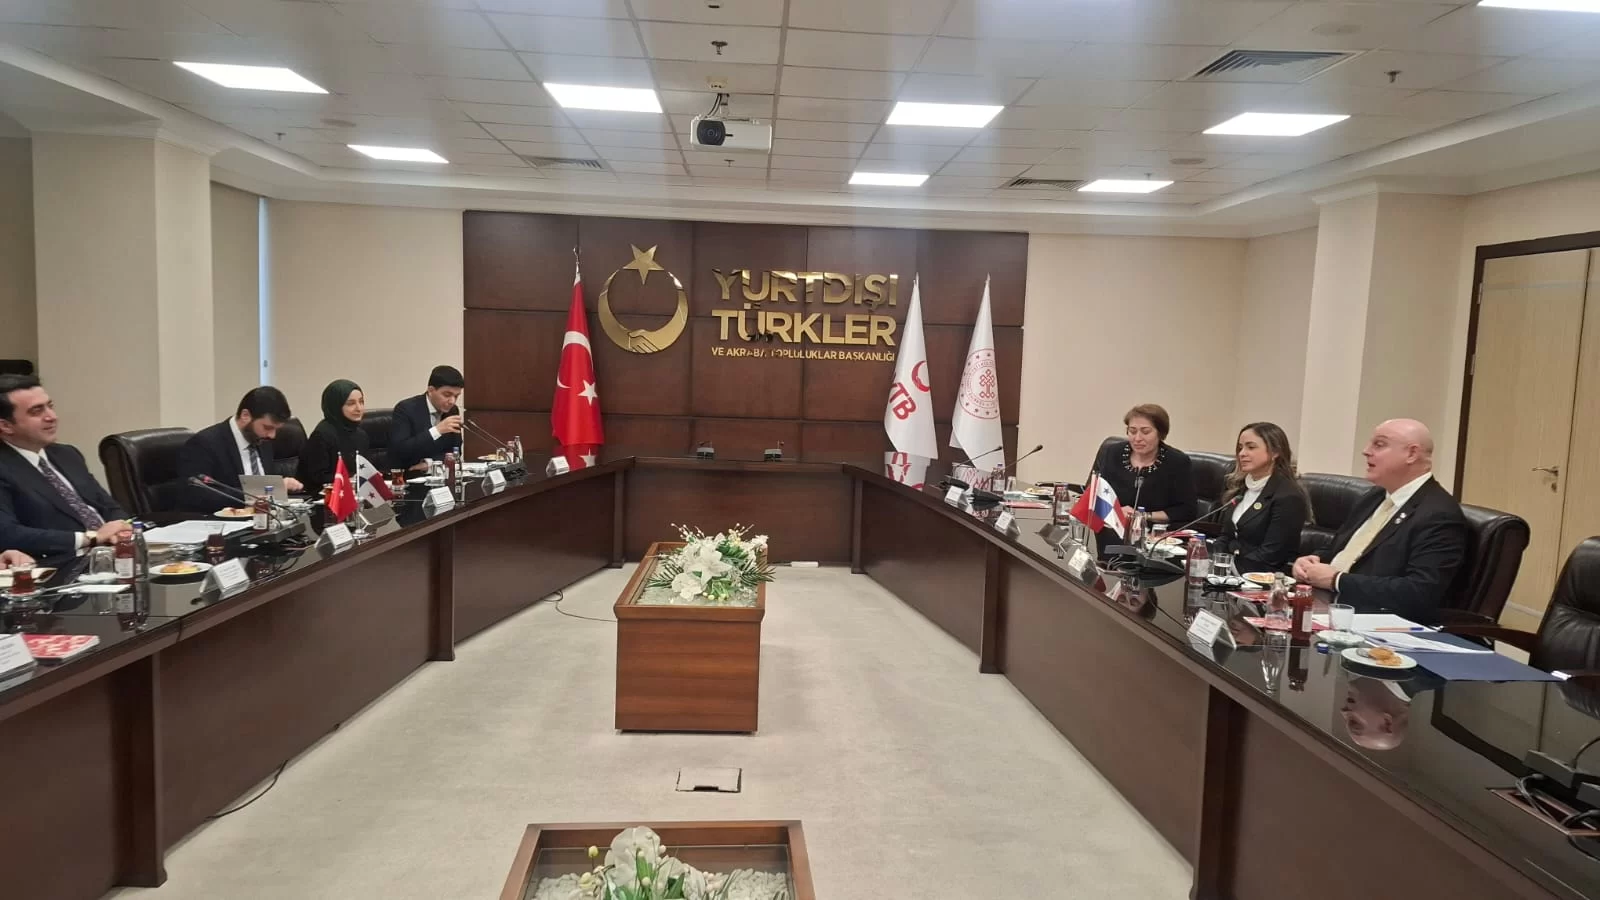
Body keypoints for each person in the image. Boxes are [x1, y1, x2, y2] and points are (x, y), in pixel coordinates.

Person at [1292, 419, 1467, 621]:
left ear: (1411, 454)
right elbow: (1338, 550)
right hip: (1328, 606)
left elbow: (1419, 591)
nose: (1366, 451)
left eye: (1379, 444)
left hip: (1378, 621)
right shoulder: (1374, 497)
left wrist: (1337, 580)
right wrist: (1310, 561)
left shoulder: (1438, 514)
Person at [0, 375, 132, 557]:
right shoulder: (4, 468)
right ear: (6, 426)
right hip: (62, 562)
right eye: (36, 411)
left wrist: (120, 527)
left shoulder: (67, 454)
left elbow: (109, 506)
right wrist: (91, 538)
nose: (52, 417)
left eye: (50, 406)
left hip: (112, 552)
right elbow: (8, 534)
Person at [176, 386, 304, 510]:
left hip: (266, 517)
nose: (272, 435)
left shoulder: (262, 440)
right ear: (245, 415)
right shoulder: (205, 443)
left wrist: (279, 486)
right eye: (267, 427)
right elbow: (197, 494)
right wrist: (265, 490)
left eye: (276, 429)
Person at [1217, 422, 1308, 574]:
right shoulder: (1240, 487)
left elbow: (1271, 555)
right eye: (1240, 447)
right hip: (1229, 573)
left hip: (1260, 577)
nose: (1242, 453)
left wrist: (1230, 570)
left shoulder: (1288, 496)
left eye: (1251, 447)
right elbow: (1226, 536)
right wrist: (1211, 559)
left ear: (1275, 452)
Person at [1088, 403, 1197, 526]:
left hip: (1154, 530)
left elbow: (1187, 511)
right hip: (1112, 525)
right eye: (1132, 431)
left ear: (1160, 433)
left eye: (1145, 432)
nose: (1137, 438)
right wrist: (1114, 512)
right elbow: (1095, 494)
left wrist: (1142, 516)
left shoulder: (1177, 462)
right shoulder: (1113, 453)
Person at [296, 380, 370, 493]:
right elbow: (317, 478)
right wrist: (350, 480)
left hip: (352, 494)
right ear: (335, 406)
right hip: (323, 496)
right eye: (351, 403)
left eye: (361, 402)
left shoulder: (361, 435)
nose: (359, 408)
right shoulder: (322, 435)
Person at [389, 365, 464, 471]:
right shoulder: (406, 409)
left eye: (456, 396)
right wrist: (437, 431)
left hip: (438, 475)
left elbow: (455, 452)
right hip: (408, 475)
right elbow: (401, 451)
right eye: (447, 395)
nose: (452, 401)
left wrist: (430, 464)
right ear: (431, 390)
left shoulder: (452, 411)